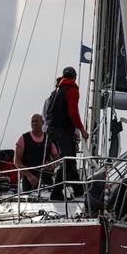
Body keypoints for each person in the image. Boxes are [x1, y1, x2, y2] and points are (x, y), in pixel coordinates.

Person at [44, 67, 88, 199]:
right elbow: (73, 113)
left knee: (70, 160)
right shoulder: (72, 90)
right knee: (67, 160)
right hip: (63, 131)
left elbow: (48, 112)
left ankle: (79, 191)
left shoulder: (56, 91)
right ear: (74, 78)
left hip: (52, 130)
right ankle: (56, 193)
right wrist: (82, 130)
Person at [14, 114, 58, 193]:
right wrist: (29, 176)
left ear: (42, 122)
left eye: (36, 121)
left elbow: (57, 157)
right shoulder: (23, 138)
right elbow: (17, 161)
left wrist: (52, 165)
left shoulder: (48, 138)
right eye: (32, 121)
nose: (34, 123)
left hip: (46, 178)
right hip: (29, 180)